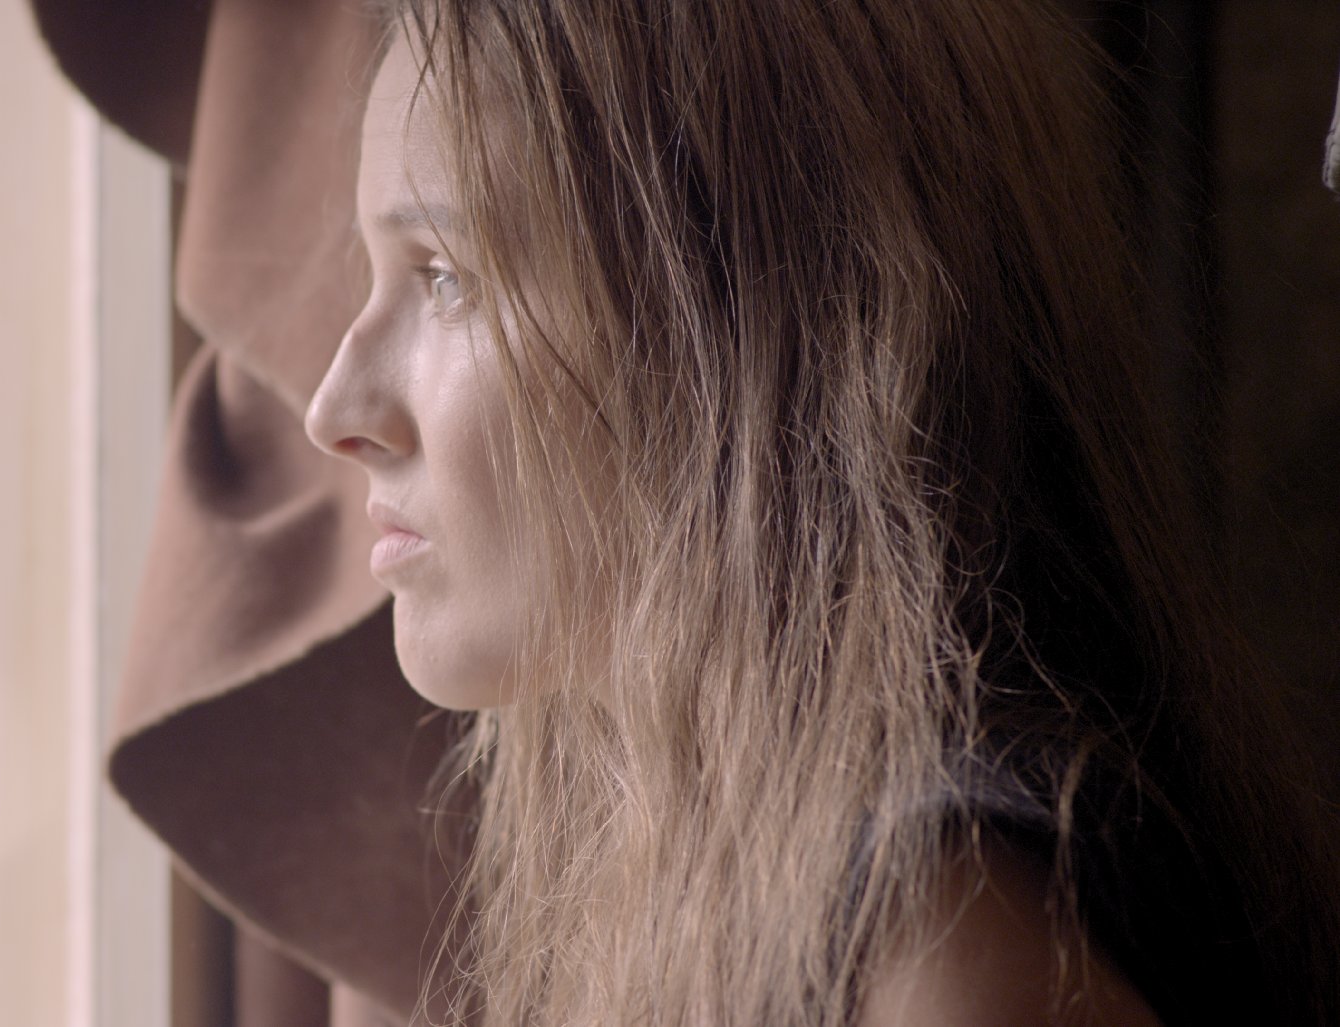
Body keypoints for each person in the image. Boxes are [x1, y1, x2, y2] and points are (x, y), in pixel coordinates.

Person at [304, 1, 1340, 1024]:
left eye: (447, 279)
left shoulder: (954, 954)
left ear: (735, 328)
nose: (335, 411)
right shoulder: (685, 867)